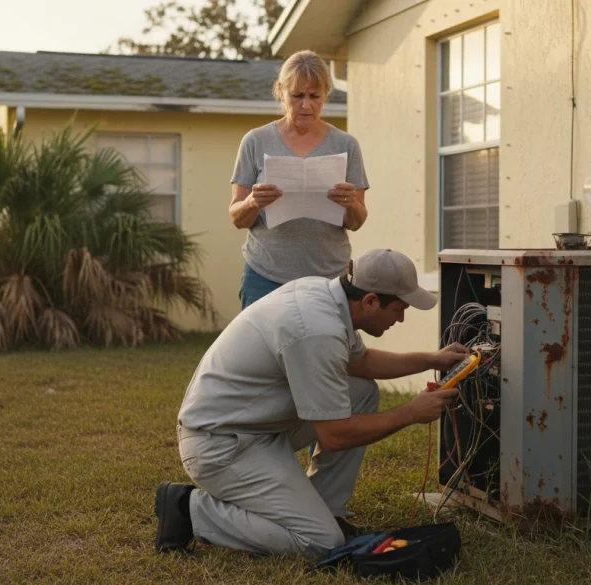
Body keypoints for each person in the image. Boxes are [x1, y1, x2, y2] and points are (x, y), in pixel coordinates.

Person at [155, 249, 467, 559]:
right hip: (220, 446)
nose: (400, 318)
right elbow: (335, 435)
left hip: (255, 426)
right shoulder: (317, 330)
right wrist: (411, 412)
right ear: (371, 301)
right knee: (321, 542)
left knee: (360, 390)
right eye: (399, 309)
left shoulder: (324, 297)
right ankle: (189, 508)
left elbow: (362, 362)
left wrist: (432, 359)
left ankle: (327, 509)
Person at [229, 50, 370, 310]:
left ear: (327, 92)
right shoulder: (255, 141)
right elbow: (237, 218)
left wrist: (350, 203)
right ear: (281, 91)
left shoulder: (346, 145)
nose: (306, 105)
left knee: (326, 351)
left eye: (314, 96)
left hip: (328, 278)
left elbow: (357, 221)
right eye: (297, 95)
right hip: (265, 275)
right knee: (262, 351)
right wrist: (252, 202)